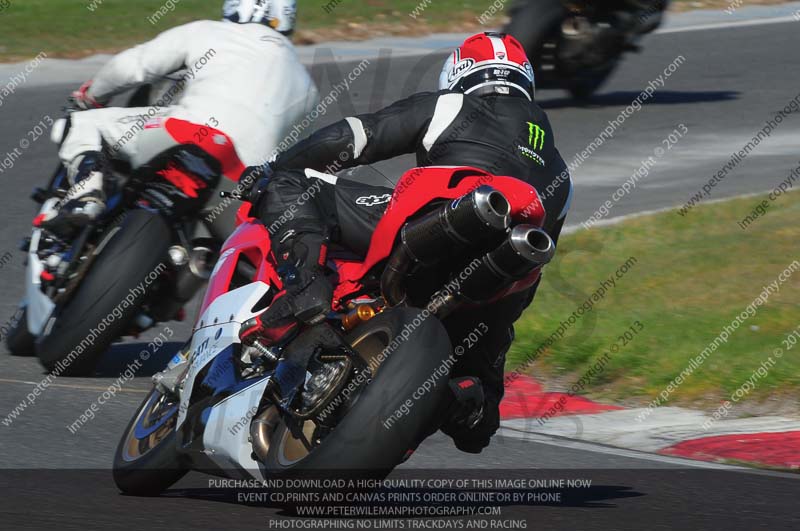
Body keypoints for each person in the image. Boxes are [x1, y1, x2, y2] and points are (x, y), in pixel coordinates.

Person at [254, 32, 573, 453]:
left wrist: (274, 166)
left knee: (289, 183)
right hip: (496, 286)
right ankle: (461, 399)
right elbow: (533, 274)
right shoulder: (562, 173)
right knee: (479, 424)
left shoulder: (452, 104)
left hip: (434, 219)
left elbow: (354, 137)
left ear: (458, 75)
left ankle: (307, 286)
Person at [42, 0, 318, 237]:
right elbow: (299, 159)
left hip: (184, 133)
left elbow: (131, 67)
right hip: (242, 181)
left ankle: (87, 194)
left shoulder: (210, 31)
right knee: (227, 253)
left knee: (81, 123)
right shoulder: (309, 88)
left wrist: (89, 96)